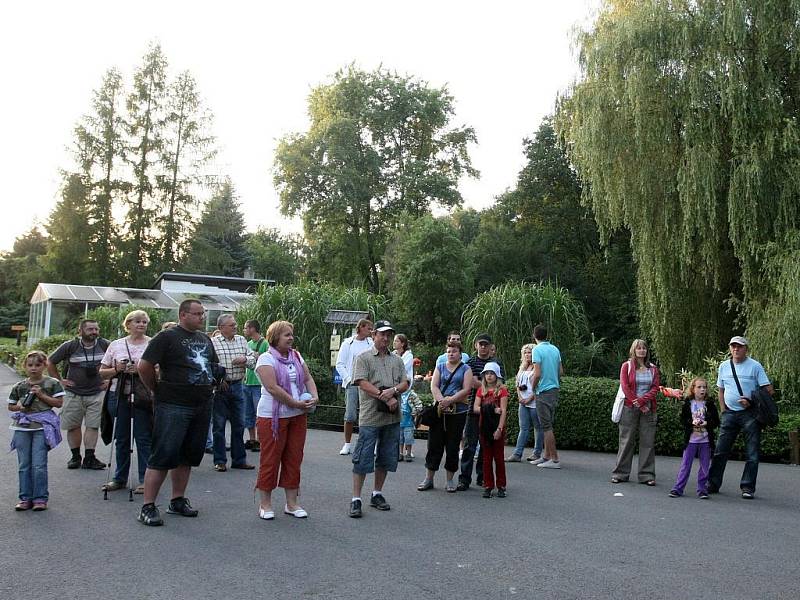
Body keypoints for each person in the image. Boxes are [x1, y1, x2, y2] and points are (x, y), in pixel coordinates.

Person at [136, 299, 221, 526]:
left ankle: (177, 500)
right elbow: (143, 366)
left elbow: (212, 365)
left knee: (188, 455)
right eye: (197, 314)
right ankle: (148, 506)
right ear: (183, 315)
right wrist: (156, 389)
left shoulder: (204, 339)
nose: (201, 317)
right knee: (163, 454)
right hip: (173, 404)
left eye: (203, 314)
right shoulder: (166, 337)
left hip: (202, 404)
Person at [254, 320, 318, 520]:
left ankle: (292, 503)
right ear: (275, 338)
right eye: (286, 335)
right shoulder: (265, 359)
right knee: (271, 459)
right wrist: (295, 403)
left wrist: (314, 396)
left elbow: (307, 378)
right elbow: (272, 388)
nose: (291, 338)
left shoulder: (296, 356)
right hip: (272, 417)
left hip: (297, 416)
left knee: (293, 458)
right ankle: (265, 504)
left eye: (291, 334)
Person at [348, 320, 409, 518]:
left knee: (386, 456)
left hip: (392, 416)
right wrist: (384, 395)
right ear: (373, 335)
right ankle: (356, 499)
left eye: (388, 335)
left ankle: (377, 493)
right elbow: (361, 382)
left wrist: (394, 390)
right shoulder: (363, 357)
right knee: (363, 457)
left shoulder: (397, 360)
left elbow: (405, 382)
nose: (385, 338)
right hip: (370, 416)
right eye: (381, 334)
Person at [708, 336, 774, 499]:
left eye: (739, 346)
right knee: (720, 450)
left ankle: (747, 487)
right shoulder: (724, 366)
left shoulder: (755, 366)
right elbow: (721, 390)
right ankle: (713, 483)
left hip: (750, 414)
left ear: (746, 349)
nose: (736, 349)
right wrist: (723, 410)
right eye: (733, 346)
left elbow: (769, 390)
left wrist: (751, 400)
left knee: (752, 452)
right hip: (729, 413)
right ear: (730, 348)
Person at [98, 309, 154, 494]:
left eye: (144, 322)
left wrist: (139, 370)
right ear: (128, 324)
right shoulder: (116, 344)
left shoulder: (152, 343)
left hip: (143, 396)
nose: (141, 325)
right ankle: (119, 478)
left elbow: (160, 371)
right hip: (119, 394)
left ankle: (145, 479)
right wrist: (118, 368)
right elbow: (102, 371)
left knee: (143, 438)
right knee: (121, 438)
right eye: (137, 321)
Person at [47, 319, 109, 470]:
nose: (94, 332)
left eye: (96, 329)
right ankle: (75, 457)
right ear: (80, 331)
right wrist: (60, 381)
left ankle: (89, 457)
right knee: (73, 426)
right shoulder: (70, 346)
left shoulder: (105, 344)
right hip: (73, 393)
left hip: (97, 392)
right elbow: (50, 361)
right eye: (90, 329)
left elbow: (116, 361)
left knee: (92, 426)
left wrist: (110, 380)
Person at [8, 351, 65, 511]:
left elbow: (59, 403)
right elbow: (11, 405)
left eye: (38, 365)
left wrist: (41, 395)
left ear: (44, 365)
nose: (34, 368)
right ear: (25, 366)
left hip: (42, 426)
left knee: (39, 464)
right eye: (30, 365)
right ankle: (25, 497)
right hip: (23, 426)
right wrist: (21, 407)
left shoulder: (52, 383)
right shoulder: (20, 386)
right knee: (24, 464)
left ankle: (40, 498)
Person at [418, 341, 472, 493]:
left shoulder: (465, 369)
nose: (451, 354)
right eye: (449, 351)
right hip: (440, 412)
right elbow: (434, 386)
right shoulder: (440, 367)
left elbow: (467, 389)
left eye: (454, 351)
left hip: (457, 413)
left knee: (452, 446)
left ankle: (449, 479)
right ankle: (428, 478)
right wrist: (442, 400)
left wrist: (451, 400)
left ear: (460, 353)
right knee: (434, 445)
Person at [458, 333, 504, 491]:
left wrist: (481, 383)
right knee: (470, 445)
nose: (483, 347)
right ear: (476, 345)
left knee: (486, 446)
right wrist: (486, 385)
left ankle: (482, 477)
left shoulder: (496, 362)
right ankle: (464, 479)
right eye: (480, 344)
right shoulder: (470, 362)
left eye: (486, 344)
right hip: (473, 409)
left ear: (491, 346)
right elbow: (470, 382)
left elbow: (500, 385)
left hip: (491, 412)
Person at [210, 314, 256, 472]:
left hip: (238, 385)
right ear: (221, 327)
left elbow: (253, 360)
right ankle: (220, 460)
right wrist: (217, 380)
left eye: (235, 324)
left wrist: (244, 359)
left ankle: (239, 460)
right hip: (220, 388)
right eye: (232, 325)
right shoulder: (213, 342)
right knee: (219, 425)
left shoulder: (242, 340)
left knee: (239, 424)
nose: (235, 327)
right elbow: (208, 364)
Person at [611, 338, 660, 484]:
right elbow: (625, 387)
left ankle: (647, 475)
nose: (642, 350)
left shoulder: (653, 368)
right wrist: (638, 403)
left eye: (644, 348)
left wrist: (643, 401)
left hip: (648, 409)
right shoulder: (626, 366)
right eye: (639, 348)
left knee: (648, 442)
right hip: (630, 408)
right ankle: (620, 474)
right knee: (626, 441)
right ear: (634, 350)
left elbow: (655, 387)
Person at [669, 377, 720, 499]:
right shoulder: (688, 404)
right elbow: (682, 420)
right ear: (693, 389)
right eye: (699, 387)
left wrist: (706, 423)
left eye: (704, 387)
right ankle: (678, 488)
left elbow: (716, 421)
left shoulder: (710, 404)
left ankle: (702, 489)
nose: (702, 389)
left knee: (704, 466)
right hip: (691, 440)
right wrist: (691, 422)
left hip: (705, 441)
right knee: (685, 465)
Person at [336, 318, 373, 455]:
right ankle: (347, 444)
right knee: (350, 415)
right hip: (353, 384)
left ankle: (369, 444)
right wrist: (348, 379)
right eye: (369, 328)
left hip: (368, 383)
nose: (371, 331)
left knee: (369, 415)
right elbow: (340, 363)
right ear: (361, 327)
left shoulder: (371, 343)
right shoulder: (348, 343)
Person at [530, 325, 564, 469]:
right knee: (547, 424)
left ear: (534, 336)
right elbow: (561, 371)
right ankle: (546, 456)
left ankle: (554, 459)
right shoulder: (555, 349)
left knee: (546, 426)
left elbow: (537, 373)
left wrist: (533, 387)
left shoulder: (536, 350)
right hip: (554, 389)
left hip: (543, 391)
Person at [473, 362, 509, 498]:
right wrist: (491, 409)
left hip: (497, 427)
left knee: (499, 458)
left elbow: (504, 410)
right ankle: (488, 485)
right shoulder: (480, 390)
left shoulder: (502, 390)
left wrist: (500, 428)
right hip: (484, 427)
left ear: (497, 376)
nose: (489, 376)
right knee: (486, 459)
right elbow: (475, 408)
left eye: (492, 373)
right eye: (487, 373)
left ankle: (501, 485)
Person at [506, 343, 544, 463]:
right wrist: (520, 396)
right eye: (526, 352)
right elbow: (517, 383)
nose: (528, 355)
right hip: (523, 403)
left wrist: (530, 398)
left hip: (534, 403)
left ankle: (537, 453)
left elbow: (540, 386)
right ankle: (517, 454)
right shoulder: (522, 368)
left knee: (538, 428)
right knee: (523, 428)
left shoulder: (537, 367)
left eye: (530, 352)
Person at [243, 319, 268, 452]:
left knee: (260, 413)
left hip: (258, 383)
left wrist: (258, 356)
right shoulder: (248, 343)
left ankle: (260, 439)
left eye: (246, 328)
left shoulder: (264, 343)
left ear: (252, 328)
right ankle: (252, 439)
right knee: (248, 413)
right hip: (247, 382)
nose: (244, 330)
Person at [393, 333, 415, 462]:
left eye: (397, 341)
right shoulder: (393, 353)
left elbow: (401, 367)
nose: (394, 343)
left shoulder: (408, 355)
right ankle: (397, 449)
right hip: (394, 386)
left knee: (405, 420)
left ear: (403, 343)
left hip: (404, 387)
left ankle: (408, 450)